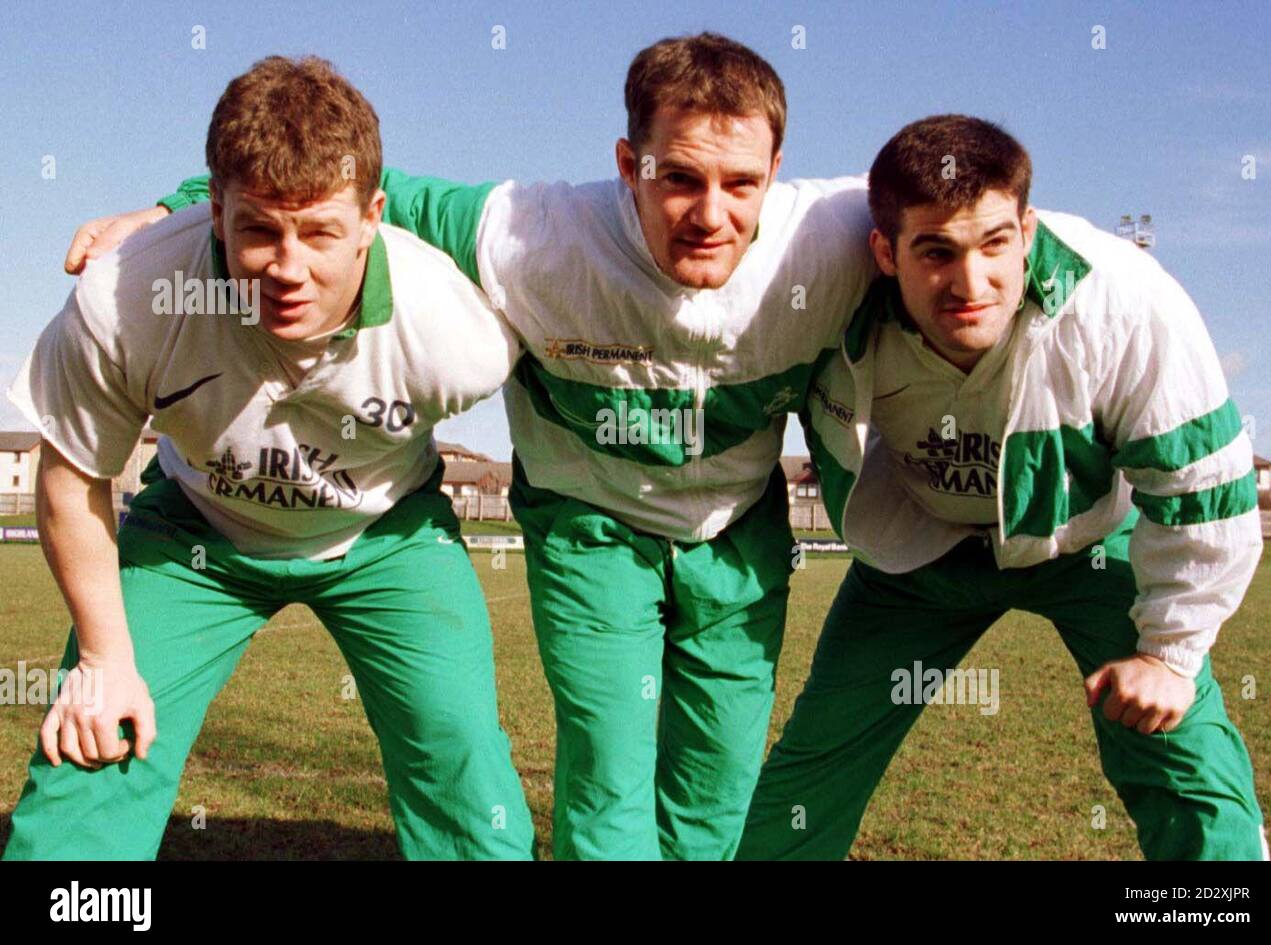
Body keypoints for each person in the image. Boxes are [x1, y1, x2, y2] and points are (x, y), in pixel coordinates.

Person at [66, 33, 877, 860]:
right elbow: (343, 186)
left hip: (736, 534)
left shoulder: (834, 235)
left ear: (777, 172)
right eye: (678, 177)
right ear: (629, 165)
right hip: (591, 528)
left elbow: (983, 216)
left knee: (718, 786)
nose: (711, 213)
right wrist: (181, 208)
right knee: (608, 775)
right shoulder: (535, 234)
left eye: (741, 183)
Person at [2, 55, 533, 861]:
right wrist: (105, 658)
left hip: (385, 536)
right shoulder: (129, 295)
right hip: (196, 535)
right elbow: (72, 474)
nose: (289, 267)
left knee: (459, 752)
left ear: (372, 218)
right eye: (259, 229)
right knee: (96, 739)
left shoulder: (460, 337)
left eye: (321, 231)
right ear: (215, 211)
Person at [737, 114, 1269, 861]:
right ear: (884, 252)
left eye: (993, 244)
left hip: (1083, 539)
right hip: (918, 558)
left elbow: (1203, 484)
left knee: (1181, 753)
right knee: (816, 761)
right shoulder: (826, 295)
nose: (970, 282)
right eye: (936, 252)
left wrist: (1171, 655)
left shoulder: (1120, 300)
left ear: (1026, 229)